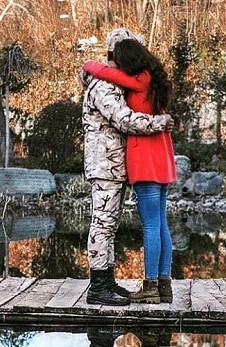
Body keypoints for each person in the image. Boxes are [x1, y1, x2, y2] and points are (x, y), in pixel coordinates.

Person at [82, 28, 174, 307]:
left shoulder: (118, 82)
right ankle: (98, 286)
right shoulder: (102, 86)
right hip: (104, 165)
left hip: (115, 165)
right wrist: (159, 122)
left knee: (109, 225)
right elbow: (123, 119)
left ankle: (107, 280)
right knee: (102, 223)